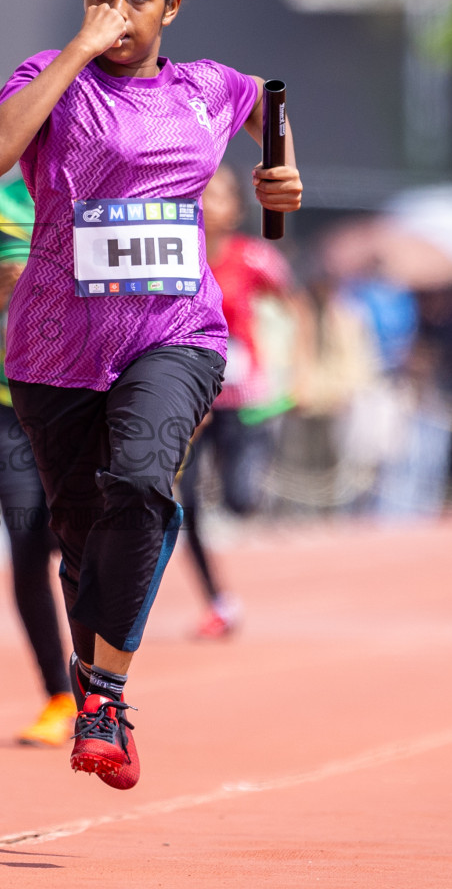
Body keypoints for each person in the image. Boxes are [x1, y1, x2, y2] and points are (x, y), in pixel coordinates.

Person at [0, 0, 302, 789]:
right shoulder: (47, 81)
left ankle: (104, 697)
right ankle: (96, 674)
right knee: (81, 544)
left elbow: (270, 100)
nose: (118, 11)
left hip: (174, 336)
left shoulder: (204, 90)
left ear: (172, 7)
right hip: (54, 350)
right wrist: (78, 49)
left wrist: (281, 176)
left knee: (144, 482)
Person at [0, 177, 76, 746]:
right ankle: (58, 696)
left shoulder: (115, 182)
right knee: (27, 544)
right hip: (14, 406)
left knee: (79, 537)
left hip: (90, 401)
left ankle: (104, 682)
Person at [177, 164, 299, 638]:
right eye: (202, 191)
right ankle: (218, 601)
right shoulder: (177, 255)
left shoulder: (253, 259)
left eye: (220, 194)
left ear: (235, 207)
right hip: (194, 399)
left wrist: (300, 371)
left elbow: (298, 308)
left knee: (241, 501)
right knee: (184, 504)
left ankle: (256, 464)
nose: (208, 200)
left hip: (244, 399)